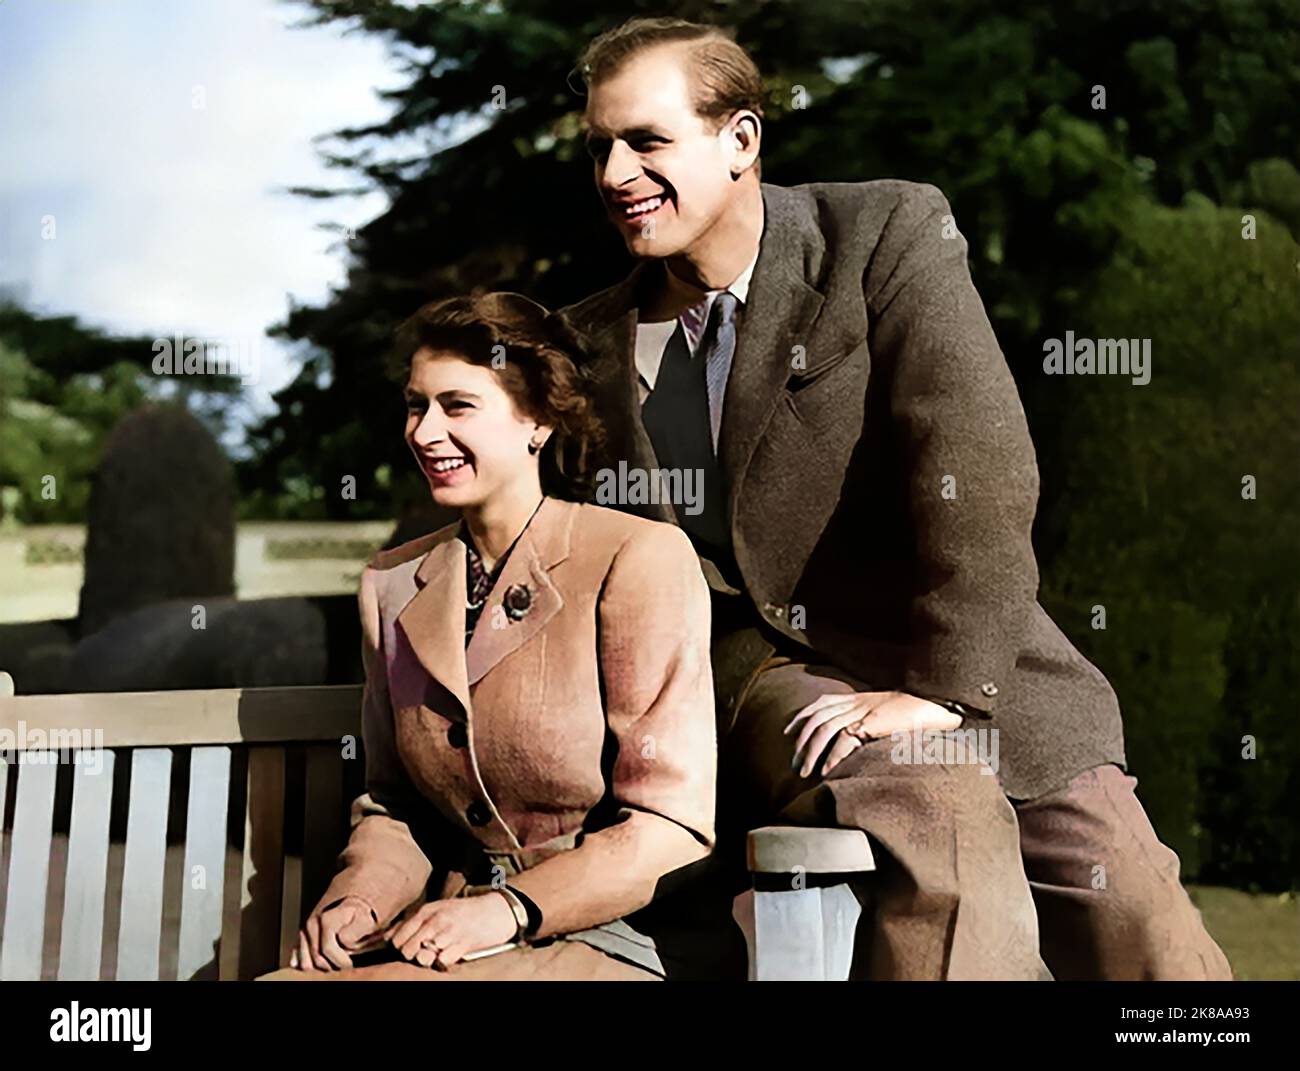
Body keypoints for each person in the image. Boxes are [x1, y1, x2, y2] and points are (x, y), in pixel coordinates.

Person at [549, 16, 1233, 980]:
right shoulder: (585, 344)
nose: (614, 172)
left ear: (741, 140)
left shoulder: (882, 232)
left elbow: (976, 459)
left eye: (647, 141)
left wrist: (941, 690)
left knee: (1144, 923)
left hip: (974, 667)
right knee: (941, 819)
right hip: (769, 687)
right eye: (600, 146)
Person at [260, 292, 718, 981]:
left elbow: (670, 828)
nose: (424, 431)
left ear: (537, 419)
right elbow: (397, 806)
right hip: (441, 933)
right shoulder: (391, 584)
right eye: (417, 405)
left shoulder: (635, 557)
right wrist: (356, 901)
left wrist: (509, 909)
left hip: (614, 937)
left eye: (457, 405)